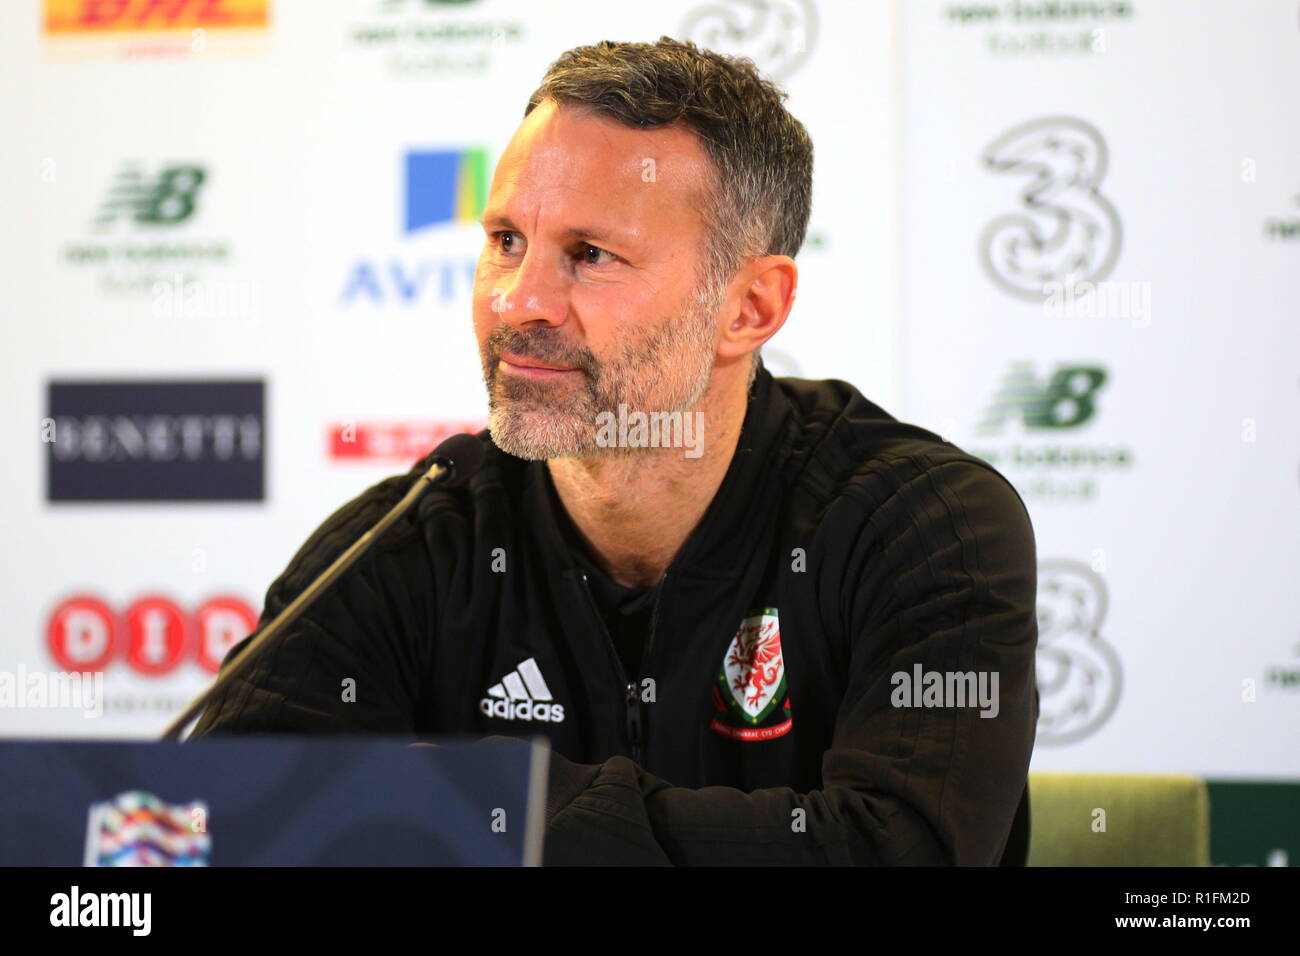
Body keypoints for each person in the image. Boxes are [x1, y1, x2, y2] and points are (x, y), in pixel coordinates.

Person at [192, 37, 1038, 866]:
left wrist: (485, 799)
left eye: (590, 255)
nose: (520, 300)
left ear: (749, 307)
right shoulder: (411, 538)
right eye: (506, 240)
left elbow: (902, 850)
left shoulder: (926, 526)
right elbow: (230, 814)